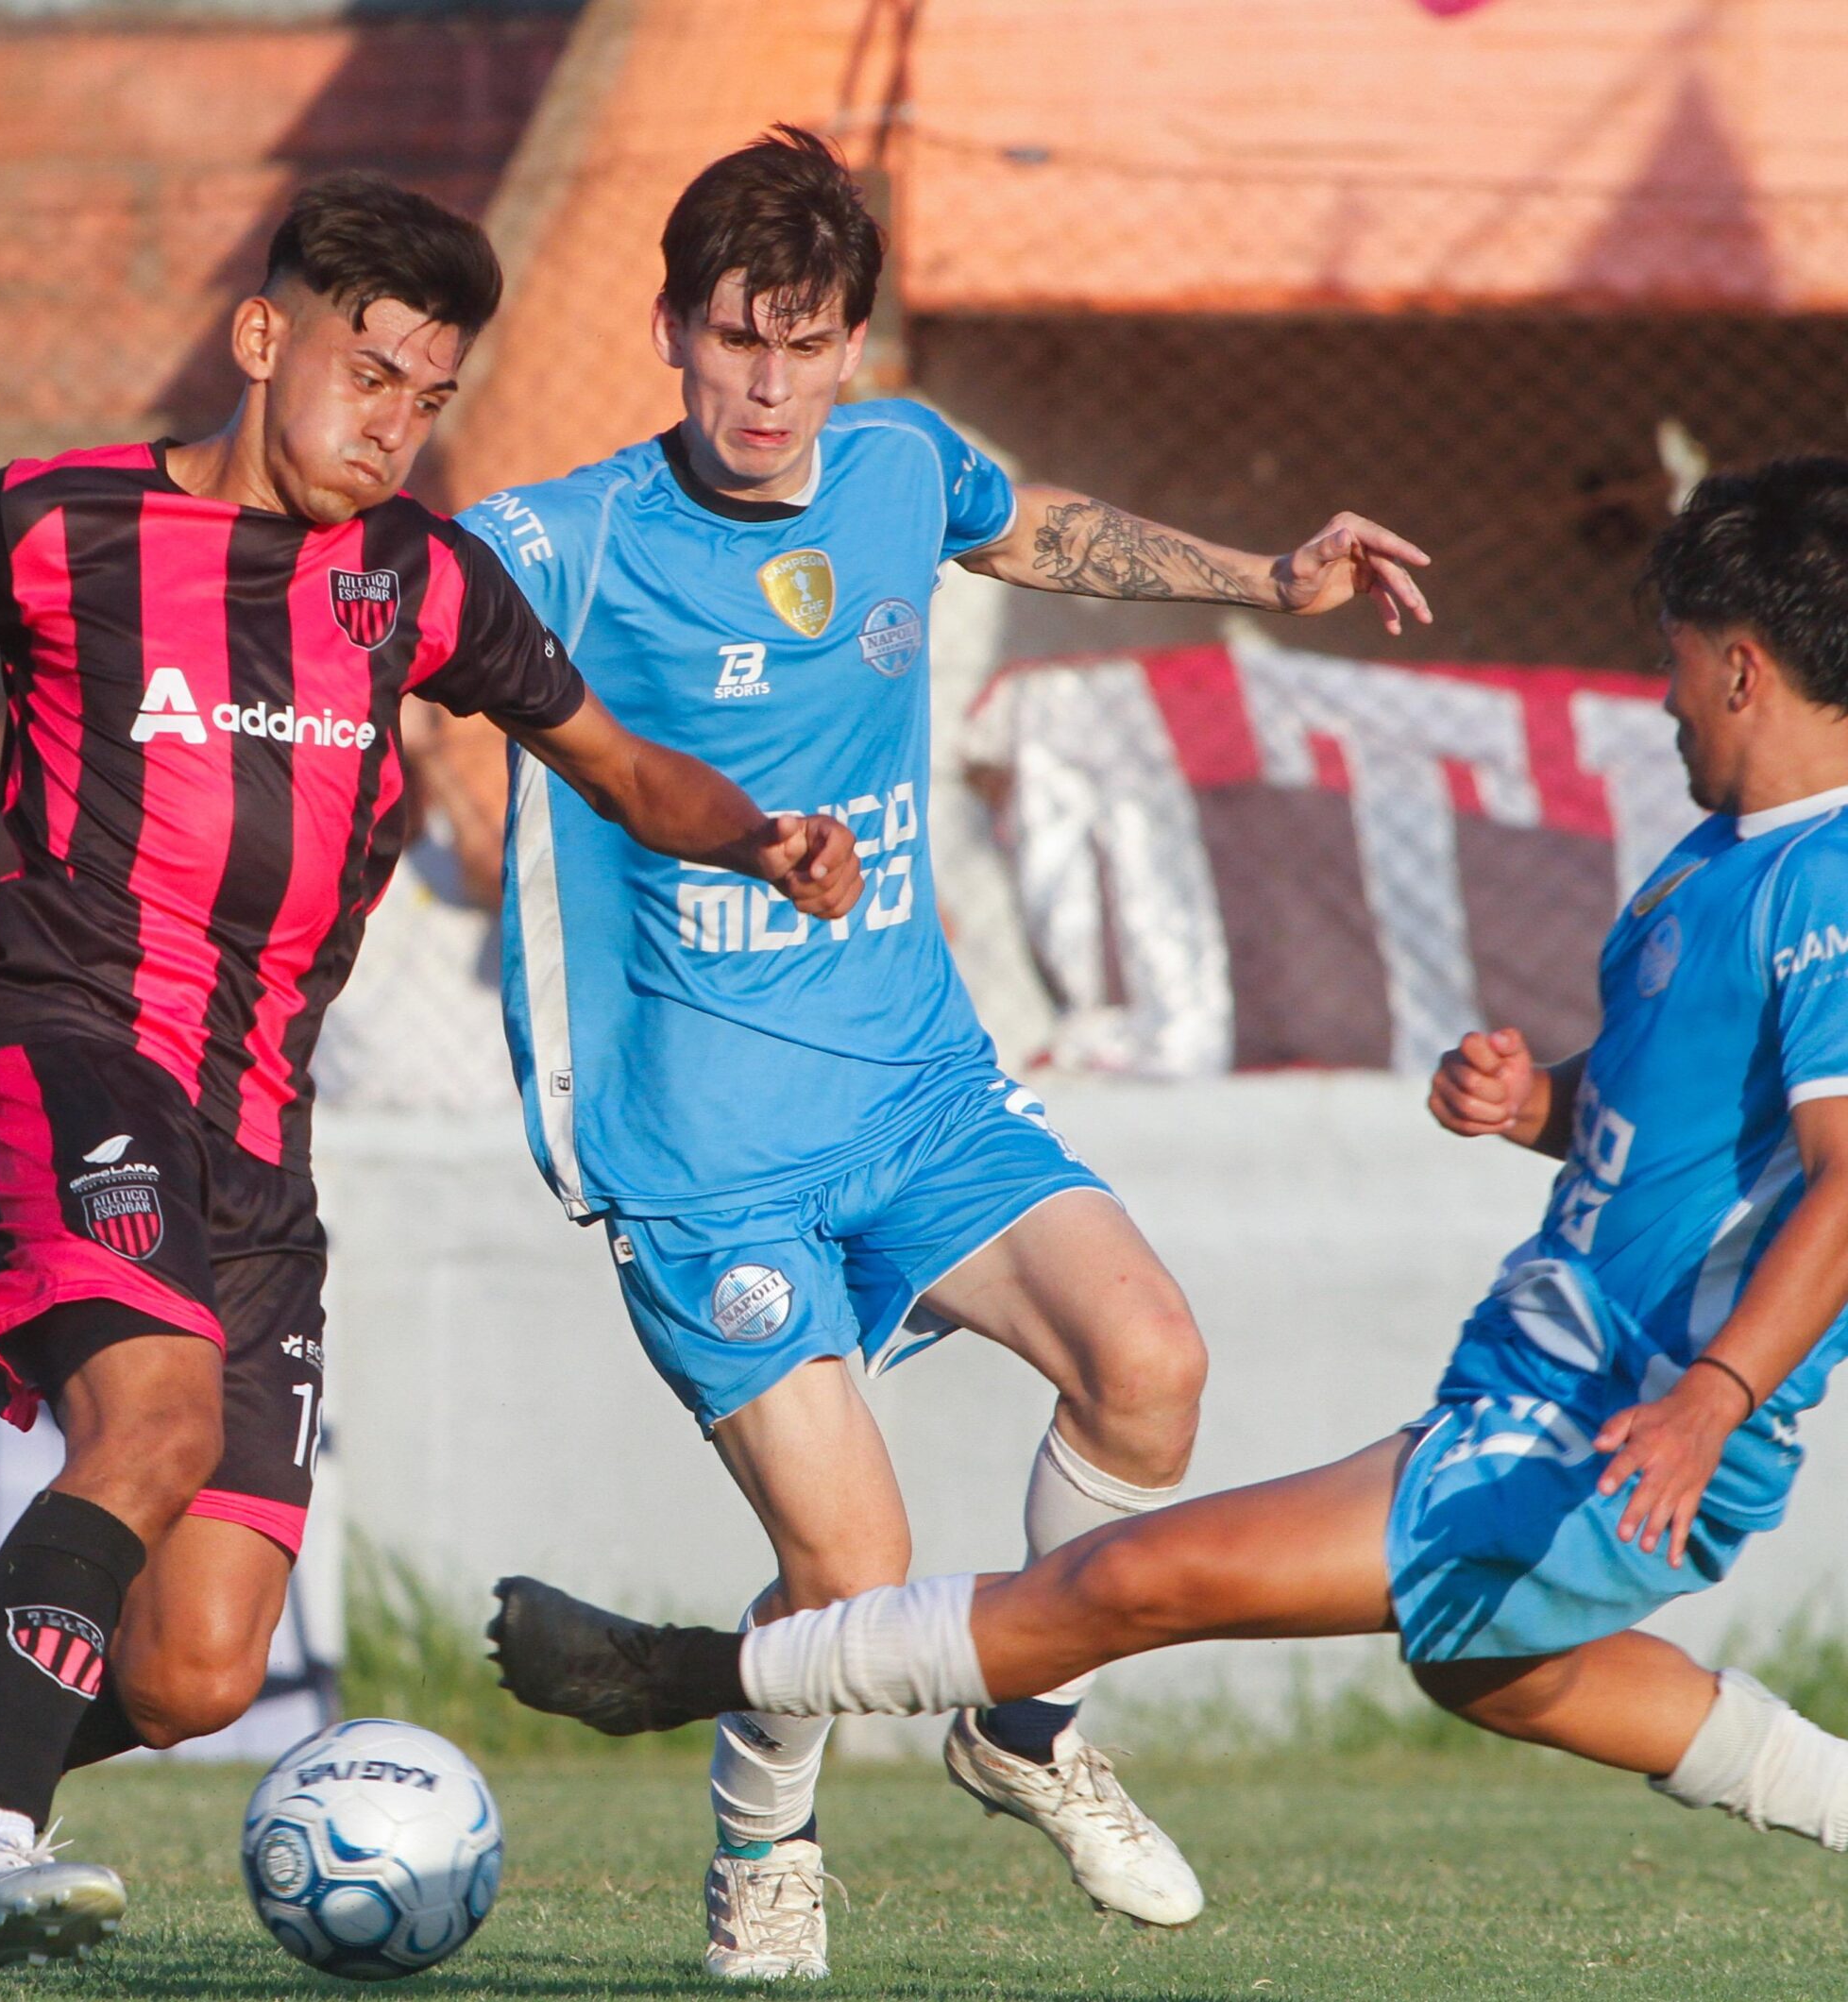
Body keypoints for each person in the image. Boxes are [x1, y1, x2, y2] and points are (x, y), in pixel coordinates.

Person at [0, 174, 860, 1993]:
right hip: (68, 1047)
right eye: (371, 374)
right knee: (152, 1426)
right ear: (263, 337)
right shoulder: (52, 528)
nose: (396, 423)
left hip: (258, 1134)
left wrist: (758, 833)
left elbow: (612, 763)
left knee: (196, 1671)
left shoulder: (421, 582)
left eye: (431, 396)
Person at [487, 456, 1848, 1903]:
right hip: (1548, 1389)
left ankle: (693, 1671)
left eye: (1678, 663)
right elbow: (1688, 1134)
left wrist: (1712, 1400)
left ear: (1746, 668)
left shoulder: (1825, 882)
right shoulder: (1710, 865)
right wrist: (1536, 1107)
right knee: (1490, 1671)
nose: (1663, 695)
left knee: (1143, 1583)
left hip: (1623, 1421)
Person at [455, 127, 1432, 1977]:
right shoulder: (562, 541)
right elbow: (392, 601)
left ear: (848, 348)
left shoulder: (896, 462)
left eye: (804, 343)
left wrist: (1267, 573)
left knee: (1145, 1362)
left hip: (910, 1088)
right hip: (697, 1152)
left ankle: (1026, 1725)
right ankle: (763, 1850)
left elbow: (1032, 522)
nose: (767, 384)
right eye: (735, 337)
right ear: (667, 328)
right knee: (853, 1580)